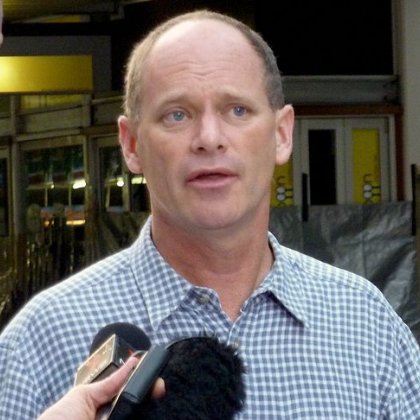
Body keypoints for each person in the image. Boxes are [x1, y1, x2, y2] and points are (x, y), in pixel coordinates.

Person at [0, 9, 419, 419]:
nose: (209, 139)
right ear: (130, 145)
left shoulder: (365, 325)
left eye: (237, 110)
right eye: (177, 114)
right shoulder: (40, 342)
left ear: (281, 134)